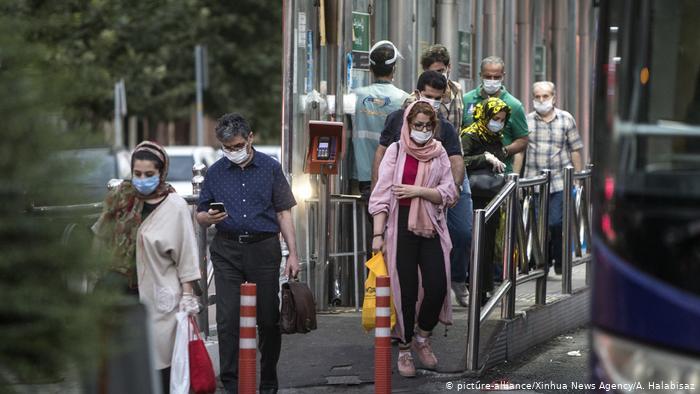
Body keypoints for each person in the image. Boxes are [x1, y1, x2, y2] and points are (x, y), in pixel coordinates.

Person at [196, 113, 299, 394]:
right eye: (227, 147)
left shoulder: (270, 167)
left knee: (267, 317)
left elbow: (283, 211)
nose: (232, 152)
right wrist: (208, 218)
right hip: (226, 249)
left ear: (250, 138)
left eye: (237, 145)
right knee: (227, 319)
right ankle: (232, 384)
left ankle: (267, 381)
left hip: (264, 248)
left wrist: (293, 253)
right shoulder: (215, 172)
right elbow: (201, 214)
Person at [92, 141, 201, 392]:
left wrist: (187, 295)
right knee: (118, 360)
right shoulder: (119, 198)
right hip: (115, 292)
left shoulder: (174, 206)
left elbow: (185, 254)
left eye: (149, 174)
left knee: (159, 361)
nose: (142, 180)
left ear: (161, 173)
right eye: (137, 174)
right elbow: (99, 236)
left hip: (158, 295)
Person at [369, 101, 458, 377]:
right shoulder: (396, 150)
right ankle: (405, 348)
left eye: (427, 126)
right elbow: (382, 195)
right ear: (407, 124)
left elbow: (449, 192)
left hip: (431, 227)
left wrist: (418, 191)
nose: (422, 131)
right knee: (404, 292)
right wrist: (377, 234)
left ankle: (423, 335)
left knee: (437, 285)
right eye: (417, 125)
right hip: (400, 229)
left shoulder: (439, 152)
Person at [372, 70, 471, 307]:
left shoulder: (443, 130)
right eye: (428, 96)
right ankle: (404, 334)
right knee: (403, 282)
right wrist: (378, 194)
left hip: (430, 217)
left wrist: (451, 189)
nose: (433, 103)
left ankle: (422, 330)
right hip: (398, 214)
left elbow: (455, 160)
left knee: (436, 280)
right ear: (417, 93)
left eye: (438, 98)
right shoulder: (397, 121)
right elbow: (382, 154)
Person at [524, 81, 584, 274]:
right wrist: (518, 179)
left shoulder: (566, 119)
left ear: (554, 97)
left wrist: (578, 177)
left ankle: (559, 258)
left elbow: (575, 149)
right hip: (535, 181)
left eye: (545, 96)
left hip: (559, 181)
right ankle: (543, 259)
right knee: (538, 224)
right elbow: (520, 152)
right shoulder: (527, 121)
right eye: (538, 97)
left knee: (556, 223)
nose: (541, 100)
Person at [461, 98, 511, 305]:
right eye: (494, 118)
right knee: (475, 244)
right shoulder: (470, 135)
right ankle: (471, 287)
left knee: (488, 244)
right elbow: (460, 161)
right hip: (472, 198)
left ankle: (483, 289)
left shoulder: (496, 137)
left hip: (491, 197)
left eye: (501, 119)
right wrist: (485, 157)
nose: (497, 123)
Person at [351, 40, 410, 200]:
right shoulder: (404, 99)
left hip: (362, 175)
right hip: (393, 173)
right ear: (394, 69)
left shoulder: (356, 96)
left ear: (370, 69)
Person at [462, 56, 529, 174]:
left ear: (503, 76)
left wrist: (502, 152)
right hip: (469, 172)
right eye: (488, 77)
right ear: (480, 75)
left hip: (500, 173)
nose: (492, 80)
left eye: (497, 77)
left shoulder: (514, 105)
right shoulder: (466, 100)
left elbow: (522, 139)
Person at [420, 44, 464, 131]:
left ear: (449, 67)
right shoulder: (418, 98)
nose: (438, 76)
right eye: (433, 72)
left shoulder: (457, 90)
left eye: (440, 71)